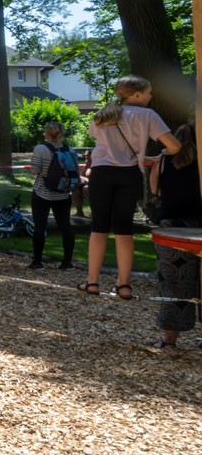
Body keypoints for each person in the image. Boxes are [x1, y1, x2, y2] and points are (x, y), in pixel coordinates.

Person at [79, 75, 179, 298]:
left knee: (98, 227)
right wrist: (159, 155)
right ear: (136, 94)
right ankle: (123, 285)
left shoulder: (102, 114)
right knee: (124, 229)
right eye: (148, 93)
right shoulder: (148, 115)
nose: (151, 96)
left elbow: (102, 144)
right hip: (129, 173)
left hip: (101, 173)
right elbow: (174, 146)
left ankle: (92, 282)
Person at [148, 124, 202, 349]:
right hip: (199, 223)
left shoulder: (162, 160)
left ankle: (169, 340)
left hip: (171, 226)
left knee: (172, 283)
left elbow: (154, 190)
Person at [29, 122, 78, 271]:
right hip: (63, 194)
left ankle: (37, 262)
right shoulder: (70, 150)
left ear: (47, 133)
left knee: (39, 227)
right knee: (65, 227)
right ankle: (67, 262)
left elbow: (34, 171)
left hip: (42, 193)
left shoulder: (40, 148)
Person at [73, 148, 91, 218]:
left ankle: (95, 212)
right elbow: (81, 176)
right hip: (87, 186)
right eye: (85, 155)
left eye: (88, 155)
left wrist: (84, 179)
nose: (86, 157)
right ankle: (79, 212)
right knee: (75, 189)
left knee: (86, 189)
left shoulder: (96, 165)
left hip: (97, 188)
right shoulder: (87, 165)